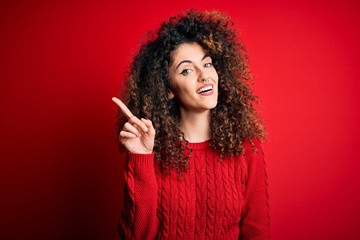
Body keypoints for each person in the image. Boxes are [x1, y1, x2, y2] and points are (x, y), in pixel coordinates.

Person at [112, 9, 270, 240]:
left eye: (207, 64)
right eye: (187, 70)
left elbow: (257, 232)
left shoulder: (245, 147)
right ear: (168, 90)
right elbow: (137, 236)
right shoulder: (149, 151)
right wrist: (140, 157)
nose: (204, 75)